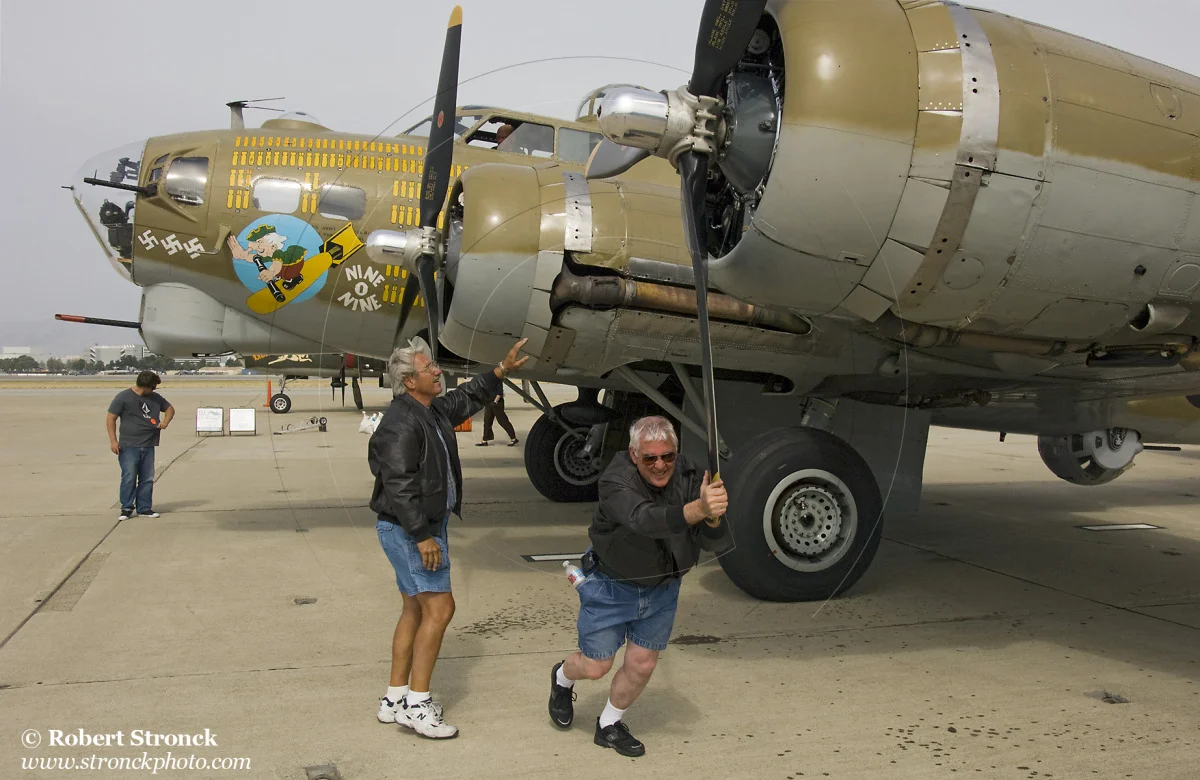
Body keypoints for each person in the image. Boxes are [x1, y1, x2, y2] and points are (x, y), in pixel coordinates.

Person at [370, 336, 530, 739]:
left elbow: (469, 396)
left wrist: (501, 370)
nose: (438, 371)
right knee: (440, 610)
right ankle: (418, 706)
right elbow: (399, 484)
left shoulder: (431, 409)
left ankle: (394, 698)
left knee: (414, 609)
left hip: (417, 526)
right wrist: (423, 536)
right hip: (413, 530)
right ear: (409, 381)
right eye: (429, 369)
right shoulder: (401, 422)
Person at [547, 415, 730, 756]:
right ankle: (561, 677)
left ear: (676, 452)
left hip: (663, 588)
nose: (660, 465)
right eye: (650, 458)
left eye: (668, 456)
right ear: (634, 454)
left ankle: (609, 725)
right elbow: (643, 519)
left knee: (642, 664)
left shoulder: (692, 478)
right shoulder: (615, 480)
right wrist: (698, 509)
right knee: (596, 665)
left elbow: (711, 539)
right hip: (611, 586)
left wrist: (714, 515)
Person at [106, 370, 175, 520]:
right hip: (129, 445)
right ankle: (126, 508)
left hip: (148, 444)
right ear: (146, 386)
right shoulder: (123, 397)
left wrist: (165, 422)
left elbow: (170, 409)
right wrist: (113, 440)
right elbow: (111, 418)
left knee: (147, 477)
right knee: (129, 476)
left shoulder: (155, 398)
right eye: (153, 387)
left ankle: (144, 508)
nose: (154, 390)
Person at [475, 382, 518, 447]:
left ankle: (513, 438)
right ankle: (485, 440)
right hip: (489, 402)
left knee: (502, 421)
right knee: (487, 421)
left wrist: (495, 402)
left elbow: (500, 393)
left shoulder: (498, 381)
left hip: (497, 403)